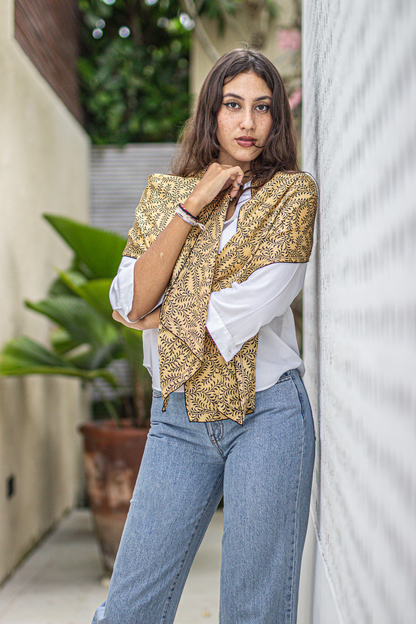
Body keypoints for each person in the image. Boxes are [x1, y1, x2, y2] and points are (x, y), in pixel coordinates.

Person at [92, 48, 318, 624]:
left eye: (262, 107)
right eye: (233, 105)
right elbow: (129, 298)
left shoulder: (292, 195)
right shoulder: (165, 195)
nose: (248, 122)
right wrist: (192, 204)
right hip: (177, 418)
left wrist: (158, 315)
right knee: (129, 611)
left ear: (277, 118)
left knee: (253, 613)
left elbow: (252, 306)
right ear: (211, 113)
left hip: (267, 417)